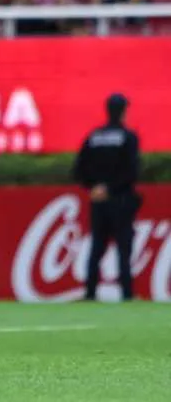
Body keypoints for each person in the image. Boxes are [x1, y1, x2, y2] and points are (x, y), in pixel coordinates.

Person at [73, 93, 141, 301]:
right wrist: (111, 188)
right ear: (123, 111)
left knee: (97, 247)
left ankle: (90, 291)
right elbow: (132, 171)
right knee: (123, 247)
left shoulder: (94, 137)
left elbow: (79, 169)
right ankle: (127, 293)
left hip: (98, 201)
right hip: (120, 200)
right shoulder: (128, 137)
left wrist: (94, 188)